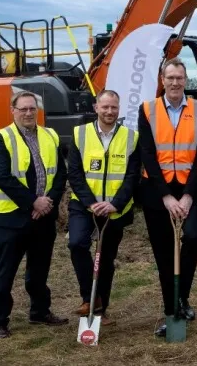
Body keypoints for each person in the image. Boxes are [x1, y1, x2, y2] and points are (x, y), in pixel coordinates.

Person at [137, 57, 197, 337]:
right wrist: (167, 196)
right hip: (158, 193)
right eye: (170, 78)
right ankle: (172, 311)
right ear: (162, 79)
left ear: (185, 80)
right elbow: (147, 154)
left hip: (191, 189)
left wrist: (189, 195)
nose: (175, 82)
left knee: (191, 239)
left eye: (180, 78)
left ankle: (182, 297)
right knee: (165, 254)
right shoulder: (148, 109)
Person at [0, 90, 68, 339]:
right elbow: (3, 177)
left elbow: (60, 174)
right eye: (23, 109)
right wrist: (33, 202)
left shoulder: (50, 135)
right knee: (5, 271)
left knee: (39, 270)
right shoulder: (1, 138)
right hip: (12, 218)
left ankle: (40, 312)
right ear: (13, 111)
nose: (28, 113)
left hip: (44, 217)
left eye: (32, 108)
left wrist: (48, 202)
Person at [67, 89, 141, 326]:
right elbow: (75, 174)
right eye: (105, 107)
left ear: (119, 110)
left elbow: (132, 177)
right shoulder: (80, 134)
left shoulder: (132, 137)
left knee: (106, 258)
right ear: (96, 107)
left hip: (115, 209)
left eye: (114, 108)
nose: (109, 111)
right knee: (77, 244)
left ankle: (100, 310)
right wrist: (91, 202)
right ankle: (91, 297)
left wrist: (114, 204)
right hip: (84, 206)